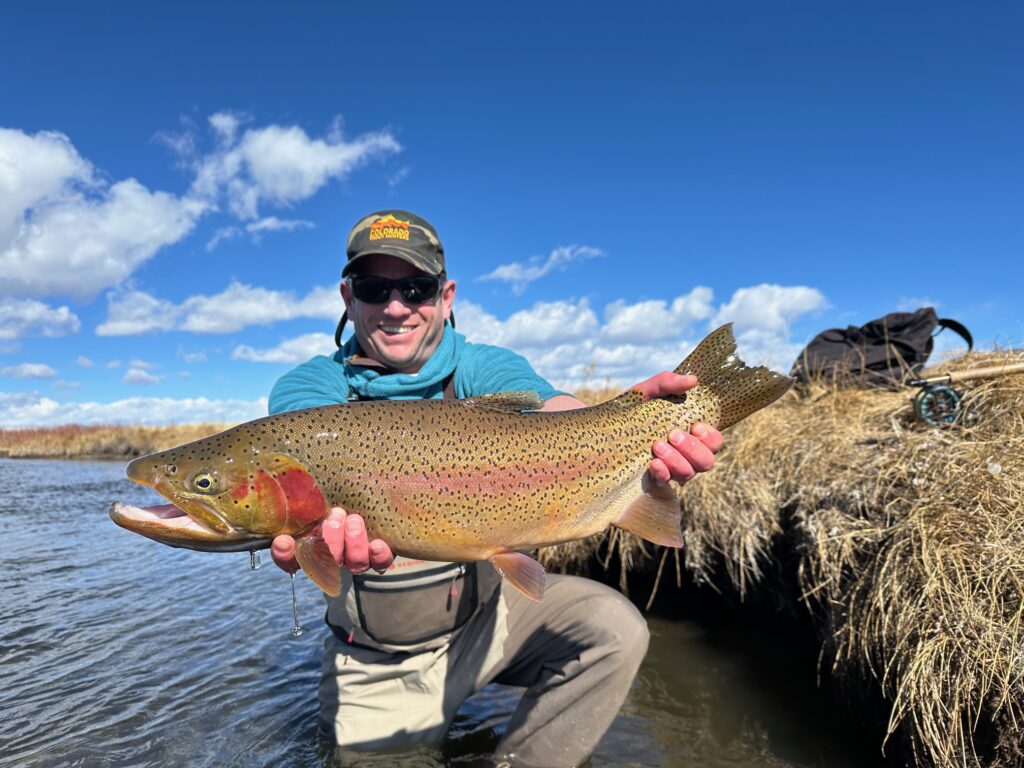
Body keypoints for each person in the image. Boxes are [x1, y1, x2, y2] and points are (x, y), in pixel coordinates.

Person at [268, 210, 723, 768]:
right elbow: (291, 453)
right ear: (347, 296)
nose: (394, 306)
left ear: (447, 294)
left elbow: (557, 412)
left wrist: (630, 420)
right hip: (380, 662)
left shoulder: (485, 366)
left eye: (416, 287)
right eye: (373, 287)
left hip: (491, 618)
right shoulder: (312, 391)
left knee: (614, 629)